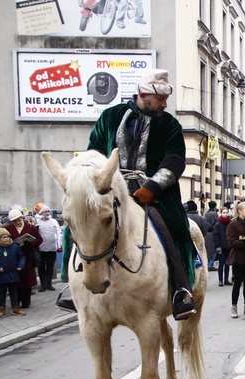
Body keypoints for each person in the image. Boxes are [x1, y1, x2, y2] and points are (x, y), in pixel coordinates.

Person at [87, 68, 196, 320]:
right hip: (110, 187)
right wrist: (98, 180)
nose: (164, 104)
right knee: (81, 221)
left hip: (153, 192)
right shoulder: (109, 117)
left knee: (176, 227)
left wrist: (151, 188)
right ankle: (72, 284)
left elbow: (175, 161)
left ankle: (180, 288)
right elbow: (93, 153)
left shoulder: (170, 124)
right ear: (143, 94)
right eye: (160, 99)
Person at [4, 209, 43, 309]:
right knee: (16, 281)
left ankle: (26, 302)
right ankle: (16, 301)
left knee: (27, 281)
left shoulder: (30, 227)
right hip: (14, 258)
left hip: (28, 257)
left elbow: (39, 239)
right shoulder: (7, 228)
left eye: (19, 219)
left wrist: (31, 243)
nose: (17, 222)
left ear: (22, 218)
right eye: (15, 221)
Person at [0, 228, 26, 317]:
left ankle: (16, 307)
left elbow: (21, 257)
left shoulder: (14, 247)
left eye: (8, 237)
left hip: (13, 273)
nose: (6, 239)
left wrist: (20, 265)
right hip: (2, 274)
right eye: (4, 237)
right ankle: (1, 308)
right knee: (2, 292)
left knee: (14, 291)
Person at [35, 205, 61, 292]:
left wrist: (59, 245)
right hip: (41, 248)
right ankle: (43, 285)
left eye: (48, 211)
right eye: (45, 212)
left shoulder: (53, 221)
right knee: (41, 267)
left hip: (52, 248)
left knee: (50, 267)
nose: (47, 213)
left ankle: (49, 284)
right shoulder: (37, 222)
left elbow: (58, 233)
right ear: (41, 213)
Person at [213, 206, 232, 287]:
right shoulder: (218, 224)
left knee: (228, 264)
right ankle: (220, 280)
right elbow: (215, 236)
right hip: (221, 247)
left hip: (229, 246)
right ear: (221, 213)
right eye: (223, 213)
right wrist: (217, 246)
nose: (225, 214)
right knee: (221, 264)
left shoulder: (230, 223)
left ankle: (226, 279)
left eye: (226, 212)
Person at [205, 200, 219, 269]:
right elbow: (217, 223)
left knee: (208, 249)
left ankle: (208, 263)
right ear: (214, 206)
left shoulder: (206, 213)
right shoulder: (215, 214)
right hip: (213, 233)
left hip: (207, 233)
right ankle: (210, 264)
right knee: (214, 250)